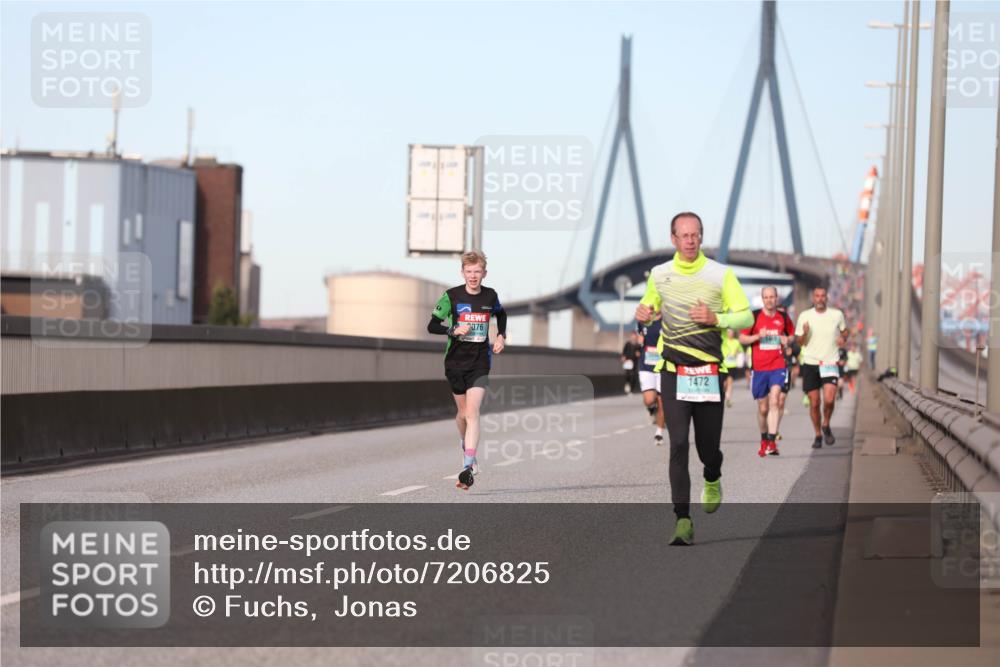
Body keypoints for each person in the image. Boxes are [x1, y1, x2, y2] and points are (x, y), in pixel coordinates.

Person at [635, 212, 752, 546]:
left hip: (708, 372)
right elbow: (647, 308)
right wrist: (643, 313)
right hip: (673, 371)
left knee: (707, 449)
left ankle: (712, 474)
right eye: (684, 235)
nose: (690, 240)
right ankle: (682, 519)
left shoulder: (720, 275)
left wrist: (717, 318)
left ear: (701, 237)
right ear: (673, 239)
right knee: (678, 444)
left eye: (695, 234)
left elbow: (745, 317)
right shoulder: (660, 275)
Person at [427, 250, 506, 490]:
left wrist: (501, 335)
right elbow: (432, 325)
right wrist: (452, 330)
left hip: (480, 361)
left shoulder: (490, 295)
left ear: (484, 273)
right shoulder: (451, 296)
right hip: (455, 362)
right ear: (462, 273)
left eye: (477, 272)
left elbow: (501, 314)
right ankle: (465, 444)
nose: (473, 276)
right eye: (469, 272)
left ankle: (468, 465)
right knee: (462, 414)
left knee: (473, 412)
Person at [740, 285, 795, 457]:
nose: (769, 300)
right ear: (762, 299)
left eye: (772, 297)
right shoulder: (754, 316)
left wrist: (787, 340)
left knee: (775, 400)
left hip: (778, 365)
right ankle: (764, 438)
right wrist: (758, 336)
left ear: (776, 298)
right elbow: (742, 338)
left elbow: (792, 335)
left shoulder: (783, 317)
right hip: (759, 368)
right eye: (766, 297)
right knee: (763, 408)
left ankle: (772, 441)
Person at [796, 286, 848, 450]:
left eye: (822, 296)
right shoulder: (805, 316)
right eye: (817, 296)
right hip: (810, 363)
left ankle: (826, 423)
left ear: (827, 298)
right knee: (814, 403)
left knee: (830, 400)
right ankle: (818, 434)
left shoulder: (837, 315)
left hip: (830, 362)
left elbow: (845, 332)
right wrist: (804, 333)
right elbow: (800, 342)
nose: (820, 299)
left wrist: (843, 339)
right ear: (813, 298)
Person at [637, 314, 666, 445]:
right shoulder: (643, 320)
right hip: (646, 365)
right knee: (649, 400)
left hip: (662, 366)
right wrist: (639, 341)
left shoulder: (667, 321)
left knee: (662, 401)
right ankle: (652, 409)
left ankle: (659, 433)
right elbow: (640, 336)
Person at [721, 330, 744, 408]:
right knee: (724, 383)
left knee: (730, 382)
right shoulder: (723, 340)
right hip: (724, 364)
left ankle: (728, 398)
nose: (730, 334)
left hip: (732, 364)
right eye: (728, 332)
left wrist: (736, 352)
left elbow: (740, 351)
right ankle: (724, 395)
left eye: (731, 332)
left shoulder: (736, 342)